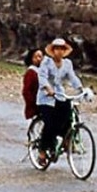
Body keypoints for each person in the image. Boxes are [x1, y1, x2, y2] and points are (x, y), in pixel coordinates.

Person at [35, 36, 84, 167]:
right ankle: (42, 151)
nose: (59, 52)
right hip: (47, 98)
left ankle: (68, 140)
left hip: (60, 95)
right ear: (53, 50)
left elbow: (72, 77)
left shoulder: (67, 64)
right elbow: (42, 77)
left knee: (68, 119)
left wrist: (80, 89)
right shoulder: (46, 62)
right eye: (57, 49)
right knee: (50, 124)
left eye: (62, 49)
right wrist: (47, 88)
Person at [22, 46, 43, 119]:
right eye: (36, 57)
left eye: (40, 57)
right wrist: (33, 103)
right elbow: (26, 91)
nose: (38, 59)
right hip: (36, 103)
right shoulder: (31, 72)